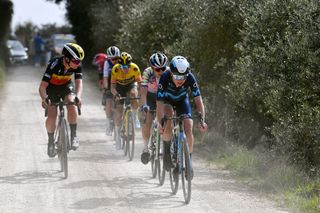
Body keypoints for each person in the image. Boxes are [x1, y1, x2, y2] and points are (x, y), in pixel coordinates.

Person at [156, 55, 208, 178]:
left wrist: (202, 121)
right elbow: (159, 104)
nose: (180, 80)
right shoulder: (164, 77)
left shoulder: (190, 77)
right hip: (167, 101)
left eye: (183, 77)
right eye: (177, 76)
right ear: (171, 74)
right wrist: (159, 122)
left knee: (188, 126)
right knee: (168, 118)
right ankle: (167, 152)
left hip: (182, 101)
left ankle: (188, 162)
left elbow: (198, 100)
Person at [39, 43, 85, 158]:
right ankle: (50, 141)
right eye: (76, 61)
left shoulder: (77, 65)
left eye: (79, 61)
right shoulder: (54, 64)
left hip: (66, 86)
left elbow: (79, 83)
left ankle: (74, 135)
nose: (78, 64)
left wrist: (78, 96)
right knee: (52, 114)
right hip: (51, 88)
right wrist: (45, 98)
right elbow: (42, 86)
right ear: (67, 58)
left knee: (71, 102)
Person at [140, 52, 169, 164]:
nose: (161, 72)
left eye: (162, 68)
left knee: (167, 120)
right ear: (152, 68)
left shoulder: (169, 72)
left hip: (165, 97)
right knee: (148, 120)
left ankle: (165, 144)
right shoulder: (147, 72)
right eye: (157, 69)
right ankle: (145, 148)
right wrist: (144, 105)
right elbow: (143, 93)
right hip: (151, 97)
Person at [111, 52, 142, 149]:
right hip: (119, 88)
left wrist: (140, 94)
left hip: (130, 85)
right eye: (122, 67)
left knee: (134, 94)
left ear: (130, 65)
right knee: (119, 112)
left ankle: (134, 116)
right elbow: (112, 87)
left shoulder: (135, 68)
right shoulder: (115, 69)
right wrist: (116, 95)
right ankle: (117, 140)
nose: (125, 69)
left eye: (127, 67)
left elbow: (140, 84)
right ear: (119, 66)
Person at [103, 46, 121, 135]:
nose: (114, 60)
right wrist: (106, 88)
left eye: (116, 58)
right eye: (112, 59)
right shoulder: (107, 63)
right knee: (109, 103)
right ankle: (108, 124)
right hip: (110, 83)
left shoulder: (122, 62)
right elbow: (105, 77)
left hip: (121, 83)